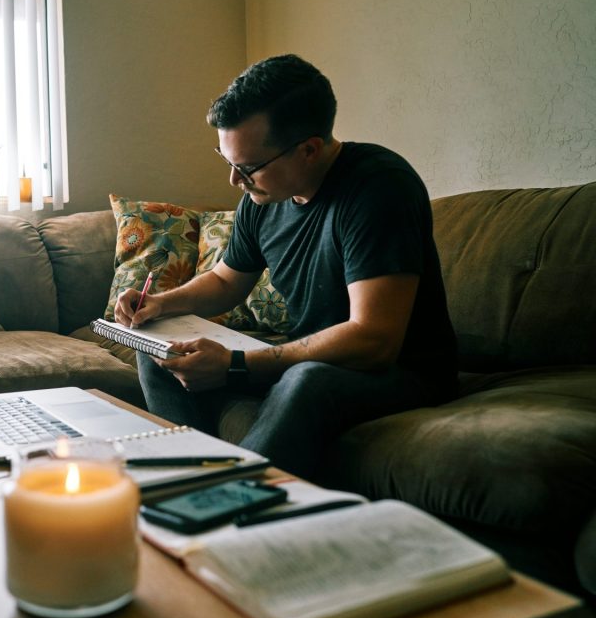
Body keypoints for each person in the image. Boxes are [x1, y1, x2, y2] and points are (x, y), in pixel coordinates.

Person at [114, 54, 457, 479]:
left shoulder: (379, 188)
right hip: (312, 357)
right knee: (160, 352)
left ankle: (230, 499)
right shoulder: (262, 198)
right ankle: (187, 478)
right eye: (228, 163)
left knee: (306, 381)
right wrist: (159, 306)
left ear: (309, 150)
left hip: (400, 372)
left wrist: (236, 364)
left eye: (247, 167)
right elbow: (225, 281)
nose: (235, 182)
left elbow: (374, 339)